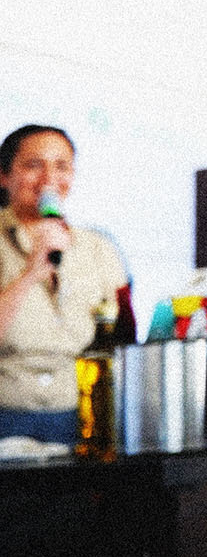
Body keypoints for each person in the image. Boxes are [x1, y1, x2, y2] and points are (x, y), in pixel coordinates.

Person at [0, 125, 128, 443]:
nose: (48, 179)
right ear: (4, 176)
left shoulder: (98, 247)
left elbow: (122, 335)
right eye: (33, 165)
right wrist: (29, 274)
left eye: (61, 166)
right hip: (6, 413)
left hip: (79, 416)